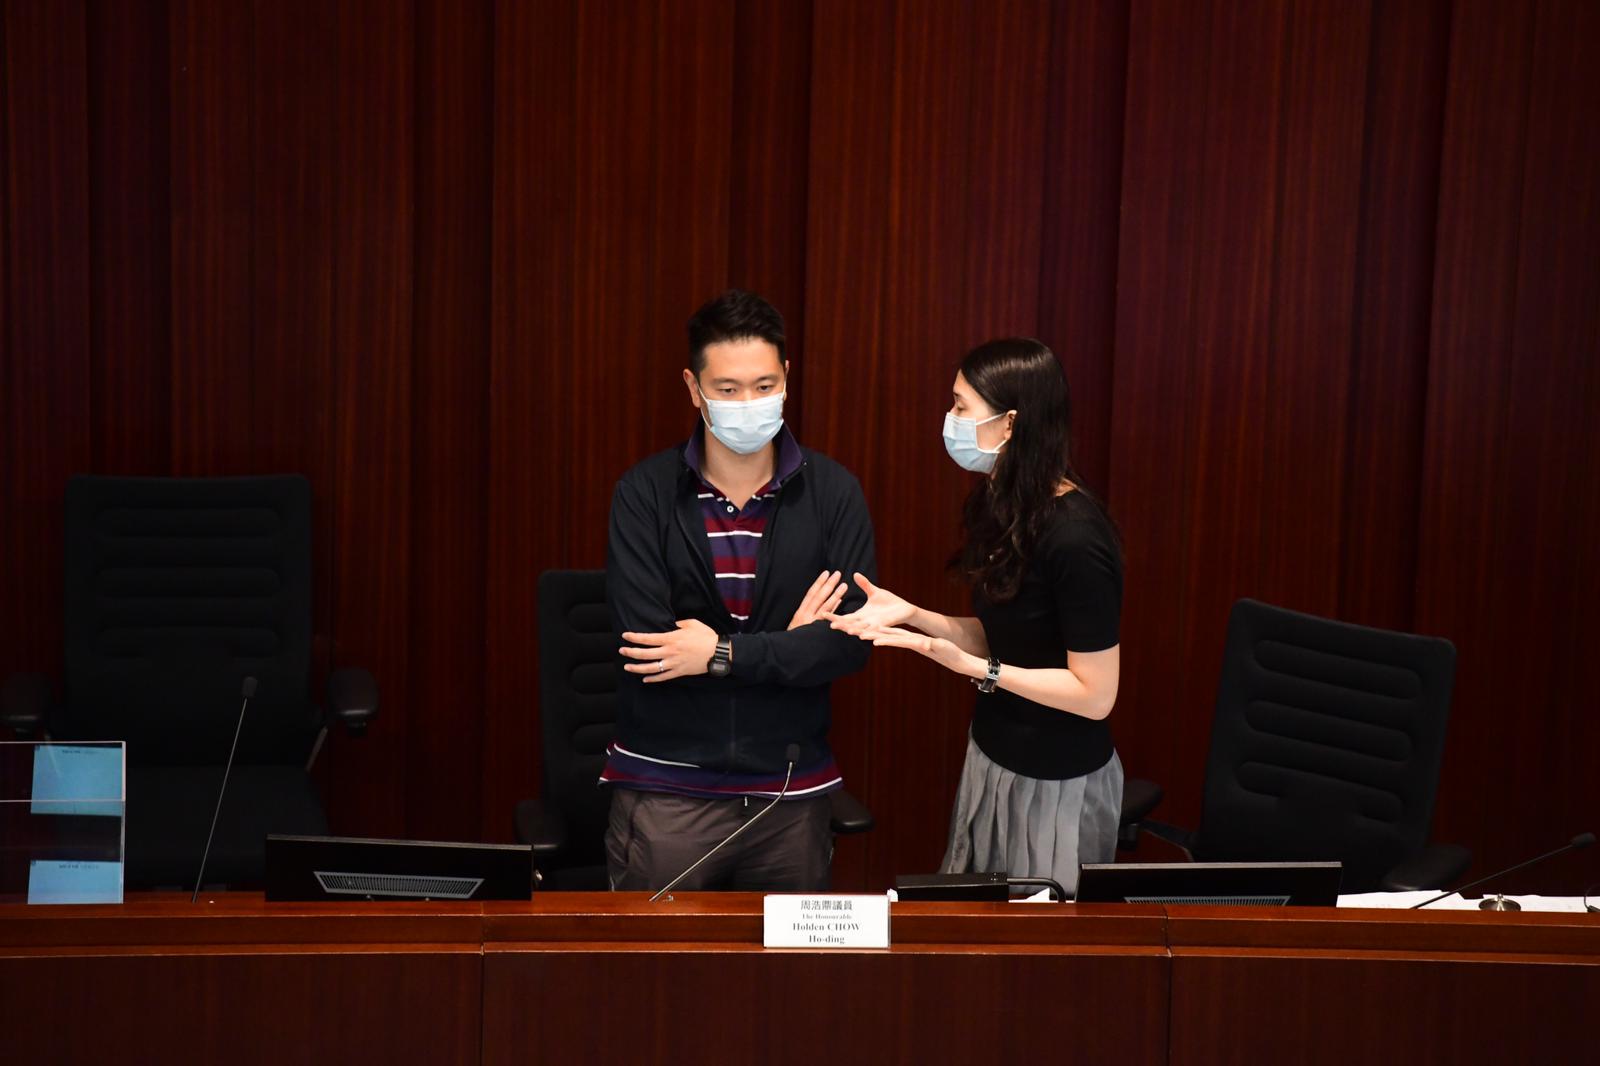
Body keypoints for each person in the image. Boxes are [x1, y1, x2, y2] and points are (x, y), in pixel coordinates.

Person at [600, 289, 877, 892]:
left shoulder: (834, 493)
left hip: (791, 791)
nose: (748, 404)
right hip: (667, 790)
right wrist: (789, 647)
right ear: (693, 388)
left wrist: (720, 653)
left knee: (787, 959)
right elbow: (651, 648)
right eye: (727, 389)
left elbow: (850, 642)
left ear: (786, 379)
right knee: (656, 955)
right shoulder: (644, 494)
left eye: (763, 385)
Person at [827, 338, 1122, 896]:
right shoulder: (1002, 503)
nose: (951, 418)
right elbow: (1003, 637)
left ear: (1009, 423)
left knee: (1035, 940)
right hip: (993, 754)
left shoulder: (1076, 537)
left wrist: (977, 670)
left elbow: (1095, 694)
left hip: (1056, 777)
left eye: (961, 406)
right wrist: (914, 616)